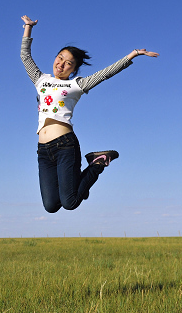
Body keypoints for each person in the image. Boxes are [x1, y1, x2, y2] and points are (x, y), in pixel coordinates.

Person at [20, 15, 158, 213]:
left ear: (74, 69)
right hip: (43, 151)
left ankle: (98, 162)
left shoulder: (76, 84)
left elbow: (105, 73)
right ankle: (80, 181)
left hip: (65, 145)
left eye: (68, 63)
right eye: (60, 58)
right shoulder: (40, 80)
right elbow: (25, 56)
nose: (61, 64)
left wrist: (133, 55)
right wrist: (28, 28)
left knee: (70, 202)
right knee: (51, 206)